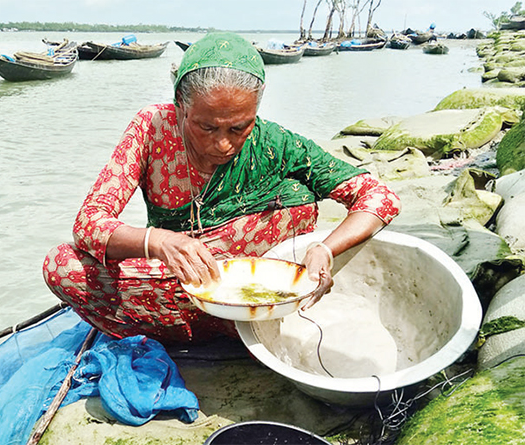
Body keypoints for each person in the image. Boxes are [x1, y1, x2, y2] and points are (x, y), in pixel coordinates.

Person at [43, 32, 401, 345]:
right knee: (62, 266)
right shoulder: (151, 128)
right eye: (207, 127)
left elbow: (378, 197)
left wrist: (325, 248)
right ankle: (224, 328)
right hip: (186, 283)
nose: (224, 145)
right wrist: (160, 242)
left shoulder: (278, 144)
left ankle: (242, 324)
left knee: (299, 209)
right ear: (180, 107)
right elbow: (89, 223)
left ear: (256, 111)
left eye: (238, 128)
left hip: (258, 290)